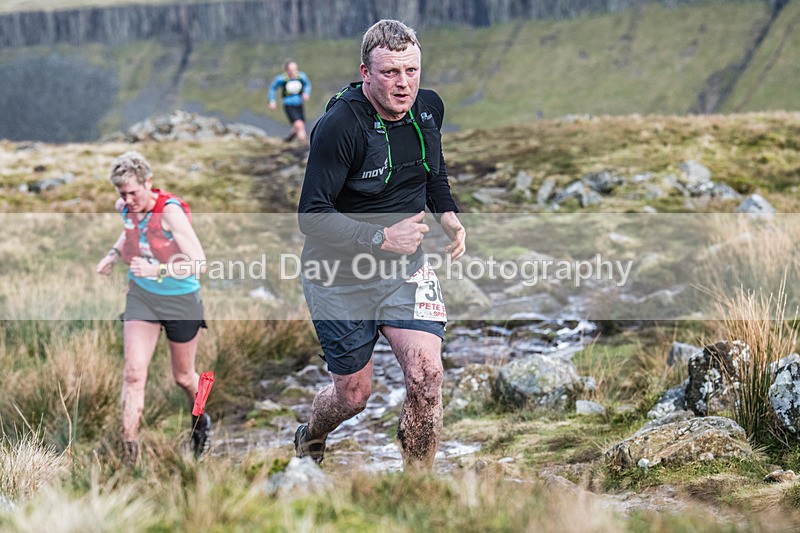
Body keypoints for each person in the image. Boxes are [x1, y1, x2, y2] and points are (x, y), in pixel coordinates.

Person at [295, 19, 466, 471]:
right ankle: (310, 436)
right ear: (365, 72)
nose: (403, 83)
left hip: (405, 272)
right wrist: (381, 237)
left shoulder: (428, 109)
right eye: (390, 72)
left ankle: (417, 491)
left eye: (411, 70)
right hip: (338, 279)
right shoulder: (340, 126)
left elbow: (431, 167)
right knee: (353, 396)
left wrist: (446, 211)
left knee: (427, 377)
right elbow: (310, 215)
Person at [95, 151, 210, 466]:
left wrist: (157, 271)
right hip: (142, 297)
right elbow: (129, 229)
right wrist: (112, 254)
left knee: (184, 377)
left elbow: (198, 263)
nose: (128, 199)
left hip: (181, 300)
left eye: (134, 192)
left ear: (149, 183)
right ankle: (129, 455)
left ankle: (201, 420)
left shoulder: (171, 213)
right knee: (133, 374)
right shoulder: (125, 207)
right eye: (123, 193)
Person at [268, 59, 312, 144]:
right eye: (291, 70)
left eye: (295, 70)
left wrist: (306, 93)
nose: (293, 72)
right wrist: (271, 100)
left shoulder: (301, 76)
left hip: (299, 104)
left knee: (298, 126)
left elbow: (307, 84)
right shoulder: (282, 79)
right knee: (299, 125)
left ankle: (287, 141)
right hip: (288, 105)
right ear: (287, 70)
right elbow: (272, 88)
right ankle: (304, 144)